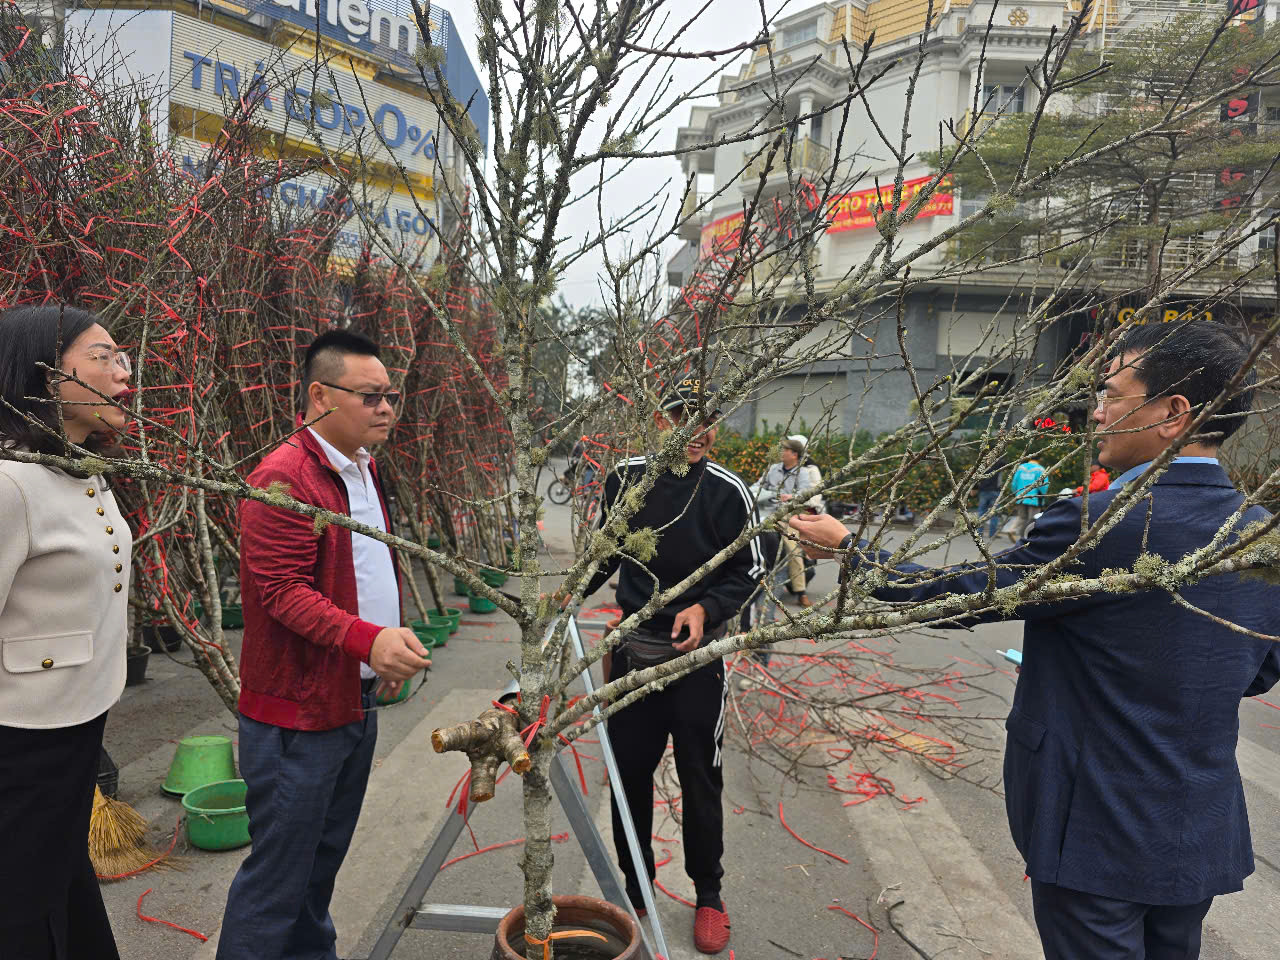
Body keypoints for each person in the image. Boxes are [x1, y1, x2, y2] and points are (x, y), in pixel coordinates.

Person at [791, 320, 1280, 960]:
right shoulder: (1259, 531)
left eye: (1111, 395)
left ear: (1172, 412)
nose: (1095, 413)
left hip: (1095, 826)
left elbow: (958, 593)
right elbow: (1259, 667)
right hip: (1195, 824)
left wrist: (850, 548)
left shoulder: (1099, 523)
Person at [217, 330, 432, 960]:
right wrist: (369, 642)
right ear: (319, 395)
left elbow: (365, 570)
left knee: (319, 868)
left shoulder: (361, 468)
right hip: (298, 716)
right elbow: (281, 591)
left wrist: (381, 657)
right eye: (371, 396)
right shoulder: (283, 478)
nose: (387, 408)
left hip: (350, 701)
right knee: (278, 880)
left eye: (391, 395)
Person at [582, 376, 763, 955]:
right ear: (662, 420)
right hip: (635, 650)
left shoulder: (729, 491)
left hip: (696, 656)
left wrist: (706, 608)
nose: (696, 430)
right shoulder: (627, 480)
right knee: (628, 772)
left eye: (707, 418)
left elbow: (751, 568)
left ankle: (709, 894)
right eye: (684, 416)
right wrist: (565, 596)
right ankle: (636, 889)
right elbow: (604, 551)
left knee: (699, 775)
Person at [0, 304, 133, 960]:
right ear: (44, 374)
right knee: (22, 903)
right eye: (104, 357)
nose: (123, 374)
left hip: (79, 720)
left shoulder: (77, 467)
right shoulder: (9, 482)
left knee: (59, 881)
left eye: (123, 357)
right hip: (22, 740)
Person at [752, 434, 824, 609]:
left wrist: (791, 497)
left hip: (788, 517)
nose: (782, 452)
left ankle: (801, 593)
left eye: (786, 450)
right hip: (769, 514)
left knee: (793, 551)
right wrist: (755, 493)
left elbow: (807, 495)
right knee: (750, 539)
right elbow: (758, 486)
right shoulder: (773, 469)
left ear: (795, 454)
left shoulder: (804, 472)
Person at [1009, 455, 1048, 540]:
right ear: (1040, 459)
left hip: (1020, 497)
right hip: (1034, 498)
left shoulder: (1020, 467)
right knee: (1032, 519)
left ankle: (1012, 529)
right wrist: (1043, 495)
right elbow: (1043, 486)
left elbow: (1014, 483)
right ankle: (1026, 537)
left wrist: (1015, 494)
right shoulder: (1040, 469)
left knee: (1022, 517)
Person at [974, 459, 1006, 539]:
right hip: (995, 490)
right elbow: (1005, 463)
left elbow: (976, 476)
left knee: (981, 512)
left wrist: (974, 488)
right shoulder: (1000, 462)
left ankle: (979, 533)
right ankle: (992, 534)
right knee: (994, 513)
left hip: (983, 490)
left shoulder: (983, 463)